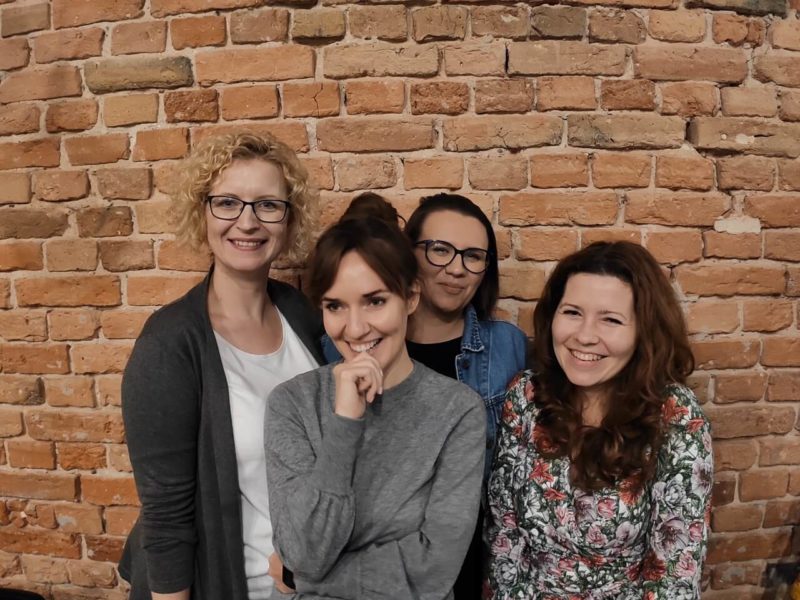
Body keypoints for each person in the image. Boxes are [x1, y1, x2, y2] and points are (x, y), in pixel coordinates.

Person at [119, 132, 324, 600]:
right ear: (203, 213)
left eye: (267, 205)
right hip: (229, 586)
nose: (247, 222)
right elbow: (166, 518)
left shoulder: (301, 314)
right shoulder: (170, 344)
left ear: (289, 219)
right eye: (227, 202)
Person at [265, 207, 486, 598]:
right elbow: (305, 552)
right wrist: (345, 422)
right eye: (335, 306)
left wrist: (305, 580)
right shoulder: (291, 404)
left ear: (411, 297)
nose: (355, 328)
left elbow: (433, 569)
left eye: (375, 301)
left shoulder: (458, 411)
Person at [485, 241, 713, 599]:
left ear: (644, 332)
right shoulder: (526, 396)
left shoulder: (675, 415)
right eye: (572, 312)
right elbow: (504, 533)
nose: (585, 336)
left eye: (611, 319)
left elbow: (674, 574)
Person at [404, 193, 527, 599]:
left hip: (481, 563)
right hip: (393, 565)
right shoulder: (350, 345)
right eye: (439, 250)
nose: (456, 269)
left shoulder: (507, 346)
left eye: (473, 256)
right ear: (408, 254)